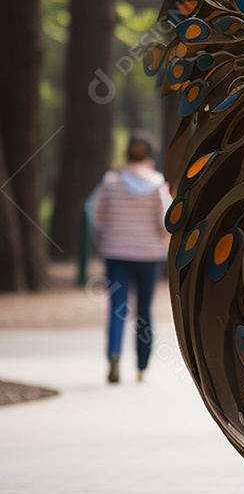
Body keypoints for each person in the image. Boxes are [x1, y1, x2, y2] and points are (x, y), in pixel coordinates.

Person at [87, 134, 171, 383]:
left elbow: (93, 211)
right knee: (144, 310)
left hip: (116, 253)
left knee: (117, 308)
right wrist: (160, 238)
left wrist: (104, 236)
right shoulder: (158, 184)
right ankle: (142, 367)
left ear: (126, 154)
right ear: (150, 155)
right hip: (148, 255)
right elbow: (166, 219)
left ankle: (114, 356)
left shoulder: (110, 181)